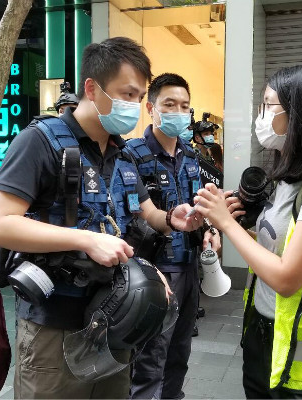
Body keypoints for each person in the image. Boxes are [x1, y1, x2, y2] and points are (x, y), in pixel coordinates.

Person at [0, 38, 204, 399]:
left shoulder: (121, 152)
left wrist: (172, 219)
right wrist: (84, 239)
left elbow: (145, 214)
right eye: (127, 94)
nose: (133, 105)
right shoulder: (40, 142)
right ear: (91, 88)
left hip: (113, 320)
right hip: (55, 322)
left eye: (138, 96)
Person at [195, 65, 302, 398]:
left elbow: (287, 278)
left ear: (300, 114)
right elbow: (277, 251)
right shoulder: (289, 177)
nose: (262, 116)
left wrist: (227, 224)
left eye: (269, 106)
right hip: (265, 331)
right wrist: (230, 224)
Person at [126, 73, 220, 400]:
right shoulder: (130, 155)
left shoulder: (191, 156)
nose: (178, 112)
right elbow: (130, 216)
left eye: (184, 106)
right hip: (153, 271)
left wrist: (210, 231)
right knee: (150, 358)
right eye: (169, 104)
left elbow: (201, 206)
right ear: (151, 108)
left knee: (180, 351)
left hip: (189, 266)